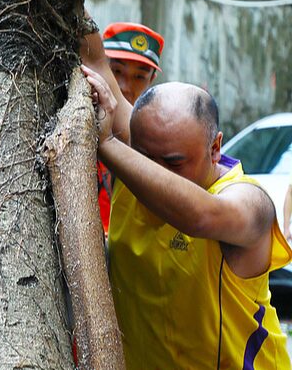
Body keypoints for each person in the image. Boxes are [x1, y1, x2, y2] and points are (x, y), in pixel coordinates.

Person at [82, 64, 292, 368]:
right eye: (145, 158)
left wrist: (107, 145)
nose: (154, 173)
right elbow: (94, 59)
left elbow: (200, 217)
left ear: (215, 148)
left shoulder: (248, 202)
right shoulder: (138, 150)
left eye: (174, 163)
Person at [96, 22, 165, 234]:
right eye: (117, 71)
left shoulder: (156, 138)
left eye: (139, 77)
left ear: (152, 79)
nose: (125, 87)